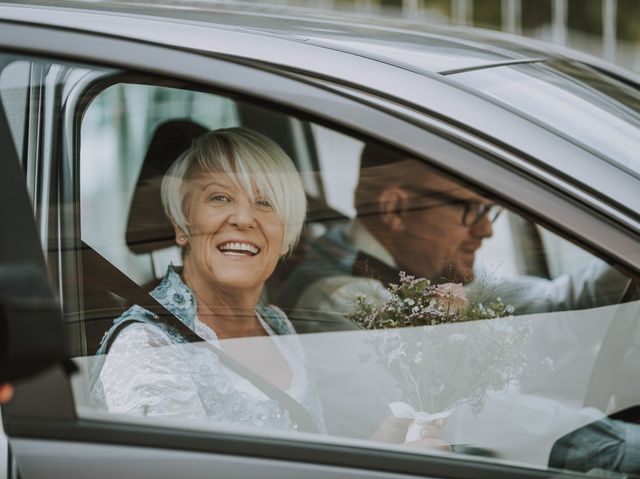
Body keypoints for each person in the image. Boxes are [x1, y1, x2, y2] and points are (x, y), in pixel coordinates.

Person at [90, 127, 324, 432]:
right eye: (220, 197)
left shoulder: (277, 325)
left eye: (265, 202)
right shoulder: (148, 345)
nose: (242, 218)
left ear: (284, 237)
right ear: (182, 224)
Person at [277, 142, 631, 333]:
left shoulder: (427, 270)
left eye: (488, 211)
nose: (486, 229)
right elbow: (464, 424)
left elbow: (555, 304)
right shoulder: (343, 300)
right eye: (469, 210)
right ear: (395, 210)